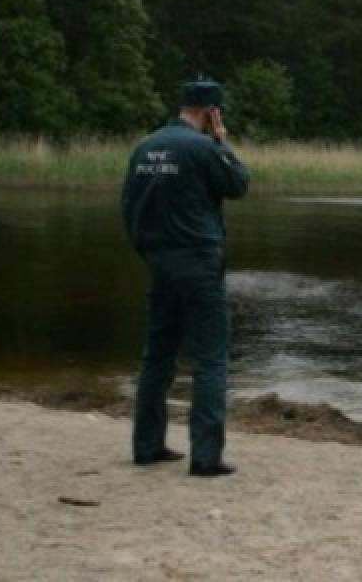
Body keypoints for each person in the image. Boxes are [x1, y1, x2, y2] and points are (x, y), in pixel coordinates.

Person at [121, 79, 250, 476]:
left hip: (160, 263)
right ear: (211, 112)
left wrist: (150, 251)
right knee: (211, 359)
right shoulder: (204, 148)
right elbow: (239, 184)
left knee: (157, 355)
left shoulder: (145, 147)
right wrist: (223, 142)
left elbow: (129, 209)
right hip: (199, 264)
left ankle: (147, 446)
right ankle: (206, 457)